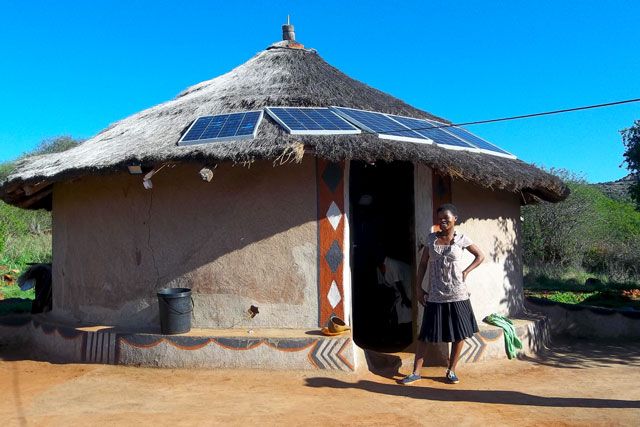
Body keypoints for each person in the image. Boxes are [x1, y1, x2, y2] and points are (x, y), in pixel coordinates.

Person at [401, 203, 485, 385]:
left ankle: (451, 370)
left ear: (455, 218)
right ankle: (416, 372)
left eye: (446, 219)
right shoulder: (431, 239)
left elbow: (480, 256)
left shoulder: (462, 239)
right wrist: (418, 288)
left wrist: (466, 272)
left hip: (458, 294)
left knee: (459, 334)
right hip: (435, 294)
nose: (443, 222)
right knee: (426, 334)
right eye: (440, 220)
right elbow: (423, 264)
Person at [377, 255, 412, 342]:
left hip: (408, 288)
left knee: (407, 313)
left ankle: (406, 338)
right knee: (400, 313)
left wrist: (405, 298)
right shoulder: (379, 268)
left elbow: (398, 283)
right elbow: (383, 285)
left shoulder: (392, 264)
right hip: (399, 292)